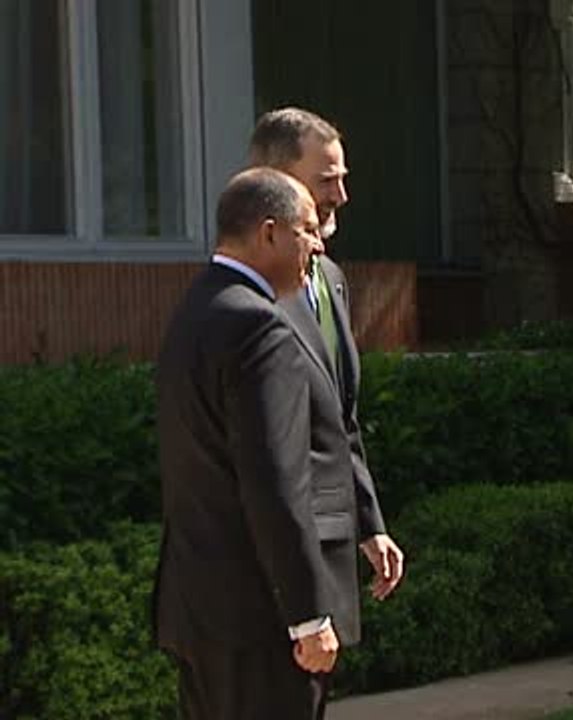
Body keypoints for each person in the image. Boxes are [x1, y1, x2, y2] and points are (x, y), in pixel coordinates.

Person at [154, 168, 358, 719]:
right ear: (269, 233)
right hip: (259, 622)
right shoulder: (260, 328)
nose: (317, 244)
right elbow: (275, 484)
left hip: (198, 609)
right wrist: (309, 617)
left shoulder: (193, 312)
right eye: (307, 229)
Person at [248, 107, 403, 601]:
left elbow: (339, 419)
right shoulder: (248, 293)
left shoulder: (330, 279)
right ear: (278, 181)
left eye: (343, 179)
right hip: (275, 560)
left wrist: (368, 523)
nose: (341, 196)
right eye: (327, 180)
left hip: (332, 543)